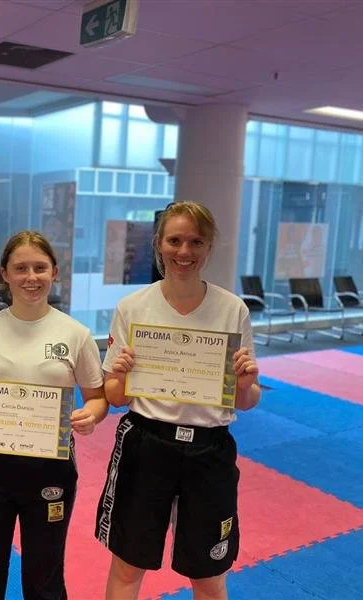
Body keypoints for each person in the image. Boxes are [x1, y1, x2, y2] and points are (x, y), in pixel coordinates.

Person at [95, 201, 260, 600]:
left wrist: (245, 382)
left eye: (195, 242)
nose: (184, 251)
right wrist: (121, 374)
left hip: (209, 449)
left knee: (208, 575)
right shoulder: (133, 307)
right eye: (175, 241)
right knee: (127, 567)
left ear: (209, 247)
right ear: (159, 243)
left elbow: (247, 400)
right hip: (146, 442)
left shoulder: (232, 309)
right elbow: (115, 397)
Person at [0, 230, 108, 599]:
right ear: (4, 274)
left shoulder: (76, 334)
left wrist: (90, 415)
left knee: (44, 571)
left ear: (55, 272)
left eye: (40, 268)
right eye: (21, 268)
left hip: (50, 466)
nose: (31, 277)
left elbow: (98, 398)